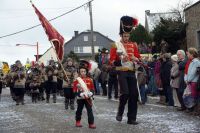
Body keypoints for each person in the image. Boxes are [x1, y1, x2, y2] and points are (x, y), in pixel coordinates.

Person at [109, 15, 141, 125]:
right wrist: (119, 59)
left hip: (131, 71)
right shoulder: (115, 45)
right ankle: (120, 111)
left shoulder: (134, 44)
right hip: (121, 71)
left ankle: (131, 118)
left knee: (134, 95)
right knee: (125, 93)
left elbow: (138, 58)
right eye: (124, 36)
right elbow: (111, 61)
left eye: (128, 36)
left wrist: (136, 59)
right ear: (121, 35)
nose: (126, 38)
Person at [73, 60, 96, 129]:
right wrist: (80, 94)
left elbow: (92, 88)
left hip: (88, 97)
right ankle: (78, 121)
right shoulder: (77, 80)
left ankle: (91, 123)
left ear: (86, 72)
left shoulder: (90, 80)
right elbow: (74, 90)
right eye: (81, 71)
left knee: (90, 111)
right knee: (79, 110)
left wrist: (91, 93)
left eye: (84, 71)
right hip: (80, 98)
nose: (83, 73)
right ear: (79, 72)